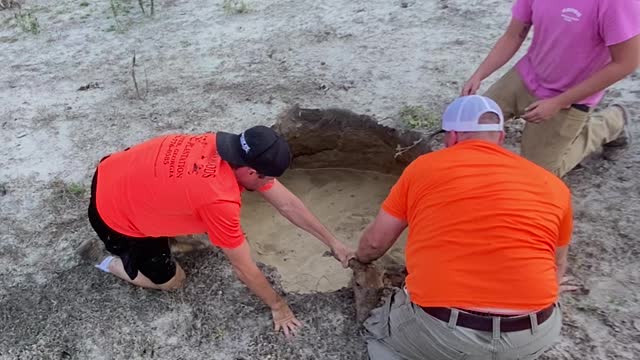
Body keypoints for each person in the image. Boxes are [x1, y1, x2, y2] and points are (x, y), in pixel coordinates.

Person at [82, 125, 353, 337]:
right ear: (250, 170)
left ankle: (158, 230)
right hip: (113, 216)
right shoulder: (218, 200)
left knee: (188, 212)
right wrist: (278, 307)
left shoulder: (221, 145)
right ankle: (107, 260)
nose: (271, 184)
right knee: (172, 281)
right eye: (268, 178)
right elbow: (244, 268)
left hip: (113, 169)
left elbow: (288, 204)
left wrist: (333, 242)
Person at [356, 95, 573, 359]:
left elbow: (376, 243)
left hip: (445, 332)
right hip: (533, 334)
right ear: (501, 137)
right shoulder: (552, 185)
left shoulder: (423, 168)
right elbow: (557, 264)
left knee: (379, 330)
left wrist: (360, 258)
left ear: (453, 136)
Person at [462, 0, 640, 177]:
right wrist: (479, 74)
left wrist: (559, 102)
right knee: (467, 128)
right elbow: (514, 35)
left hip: (570, 96)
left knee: (539, 176)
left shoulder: (618, 3)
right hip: (526, 74)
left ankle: (610, 123)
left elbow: (626, 63)